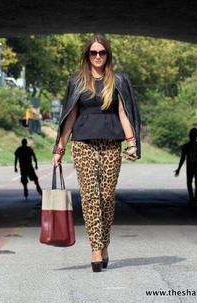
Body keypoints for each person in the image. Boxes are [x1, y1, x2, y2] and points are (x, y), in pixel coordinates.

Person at [52, 34, 141, 272]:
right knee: (90, 196)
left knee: (106, 197)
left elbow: (124, 113)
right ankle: (95, 248)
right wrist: (59, 148)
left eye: (102, 52)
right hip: (83, 144)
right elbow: (69, 115)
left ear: (108, 55)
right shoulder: (77, 81)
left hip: (111, 144)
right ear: (87, 55)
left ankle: (104, 244)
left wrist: (131, 142)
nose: (98, 56)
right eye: (94, 53)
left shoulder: (118, 80)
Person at [174, 128, 197, 206]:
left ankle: (191, 197)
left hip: (190, 166)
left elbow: (183, 158)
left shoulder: (186, 146)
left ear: (189, 136)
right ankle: (196, 198)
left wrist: (179, 169)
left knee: (189, 182)